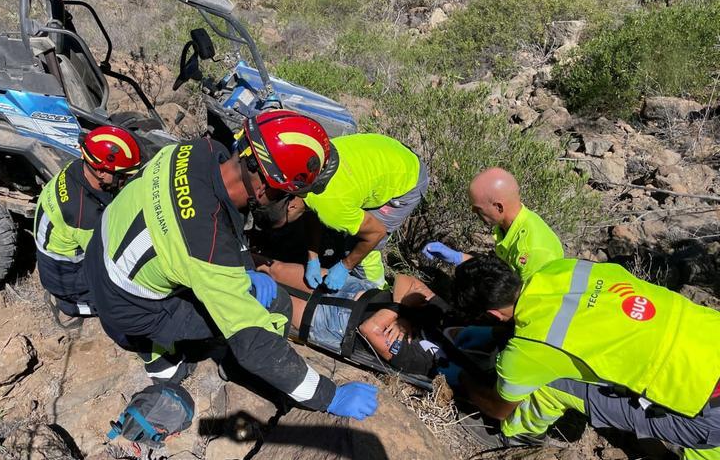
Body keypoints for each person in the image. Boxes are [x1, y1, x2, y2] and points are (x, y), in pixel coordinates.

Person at [84, 109, 379, 420]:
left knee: (239, 286)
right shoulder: (205, 246)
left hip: (102, 249)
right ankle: (168, 353)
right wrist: (327, 395)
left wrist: (243, 268)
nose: (294, 205)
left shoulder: (199, 150)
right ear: (265, 189)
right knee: (274, 307)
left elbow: (221, 220)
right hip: (126, 304)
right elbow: (255, 343)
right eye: (292, 197)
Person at [451, 254, 720, 458]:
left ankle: (521, 435)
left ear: (493, 315)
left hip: (707, 416)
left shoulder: (527, 349)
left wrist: (465, 382)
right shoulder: (561, 268)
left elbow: (499, 409)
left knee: (547, 384)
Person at [255, 133, 428, 290]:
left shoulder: (332, 207)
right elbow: (311, 212)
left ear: (291, 206)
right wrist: (313, 257)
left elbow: (376, 233)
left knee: (360, 246)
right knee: (348, 220)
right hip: (383, 152)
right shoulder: (300, 179)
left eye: (286, 222)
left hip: (406, 179)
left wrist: (345, 266)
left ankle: (376, 290)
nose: (289, 224)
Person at [257, 258, 447, 375]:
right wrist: (401, 314)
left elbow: (369, 329)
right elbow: (404, 279)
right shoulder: (445, 317)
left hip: (334, 323)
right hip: (353, 288)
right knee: (275, 268)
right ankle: (233, 253)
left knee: (267, 296)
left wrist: (402, 309)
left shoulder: (424, 362)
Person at [35, 125, 143, 317]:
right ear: (101, 172)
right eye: (123, 175)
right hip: (66, 277)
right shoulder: (84, 216)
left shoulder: (77, 167)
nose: (125, 180)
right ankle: (75, 305)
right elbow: (111, 258)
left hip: (54, 260)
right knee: (132, 295)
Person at [423, 167, 563, 282]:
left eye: (478, 208)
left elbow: (521, 305)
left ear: (498, 207)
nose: (472, 211)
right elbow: (500, 271)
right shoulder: (506, 226)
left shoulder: (532, 251)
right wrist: (458, 258)